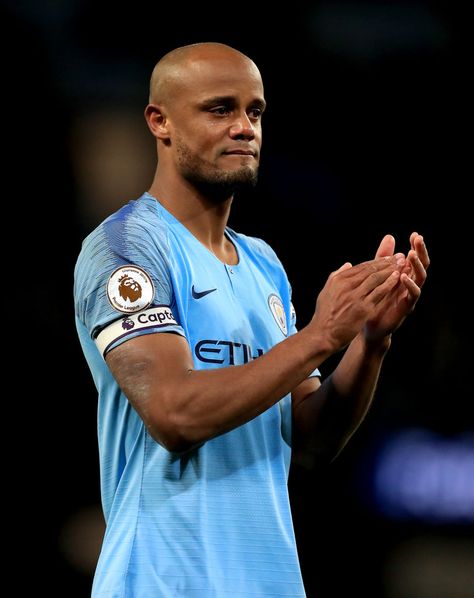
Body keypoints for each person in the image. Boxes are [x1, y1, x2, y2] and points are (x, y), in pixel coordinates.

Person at [74, 42, 429, 597]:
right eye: (220, 109)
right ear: (159, 121)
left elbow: (310, 436)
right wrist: (319, 336)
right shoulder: (127, 248)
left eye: (255, 111)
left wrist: (368, 341)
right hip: (164, 582)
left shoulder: (263, 263)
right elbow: (174, 413)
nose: (244, 127)